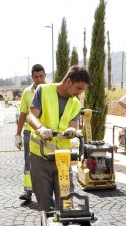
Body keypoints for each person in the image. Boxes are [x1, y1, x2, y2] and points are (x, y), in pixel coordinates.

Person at [27, 65, 90, 212]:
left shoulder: (75, 103)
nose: (79, 93)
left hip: (62, 159)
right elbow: (31, 116)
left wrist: (72, 130)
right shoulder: (43, 91)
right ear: (68, 81)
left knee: (66, 204)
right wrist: (41, 129)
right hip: (41, 156)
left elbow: (73, 124)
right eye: (79, 88)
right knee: (46, 206)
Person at [15, 64, 46, 203]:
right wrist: (18, 134)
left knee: (47, 161)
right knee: (29, 162)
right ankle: (28, 191)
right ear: (32, 77)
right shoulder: (27, 92)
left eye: (41, 76)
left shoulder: (51, 90)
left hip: (46, 132)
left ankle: (47, 191)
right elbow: (23, 114)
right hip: (29, 132)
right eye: (36, 76)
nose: (39, 79)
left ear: (45, 75)